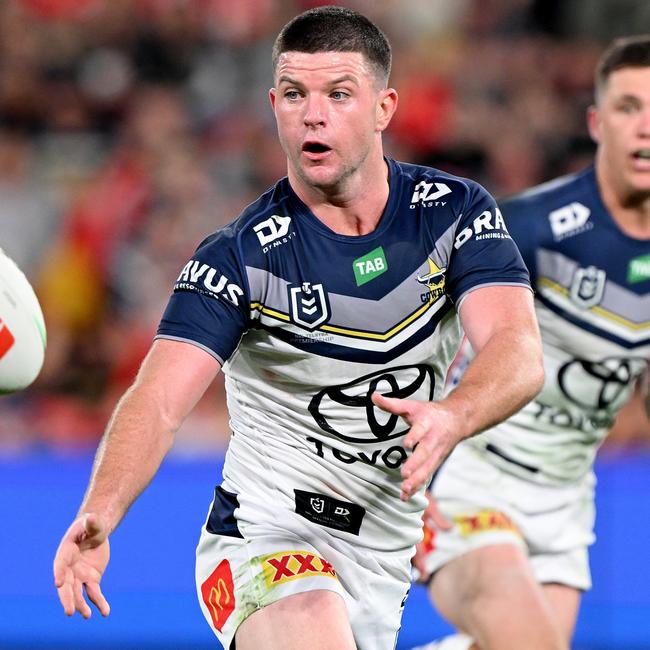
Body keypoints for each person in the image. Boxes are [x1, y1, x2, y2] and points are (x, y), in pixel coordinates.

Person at [52, 7, 543, 650]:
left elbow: (518, 349)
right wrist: (102, 511)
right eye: (294, 94)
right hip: (268, 539)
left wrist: (455, 414)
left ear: (383, 108)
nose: (314, 114)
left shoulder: (452, 214)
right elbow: (160, 398)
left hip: (392, 542)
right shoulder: (240, 256)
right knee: (311, 617)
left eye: (339, 94)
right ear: (274, 106)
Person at [412, 34, 650, 650]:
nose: (646, 128)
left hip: (567, 500)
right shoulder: (531, 227)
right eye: (629, 107)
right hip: (470, 479)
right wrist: (395, 464)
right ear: (597, 122)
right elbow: (408, 331)